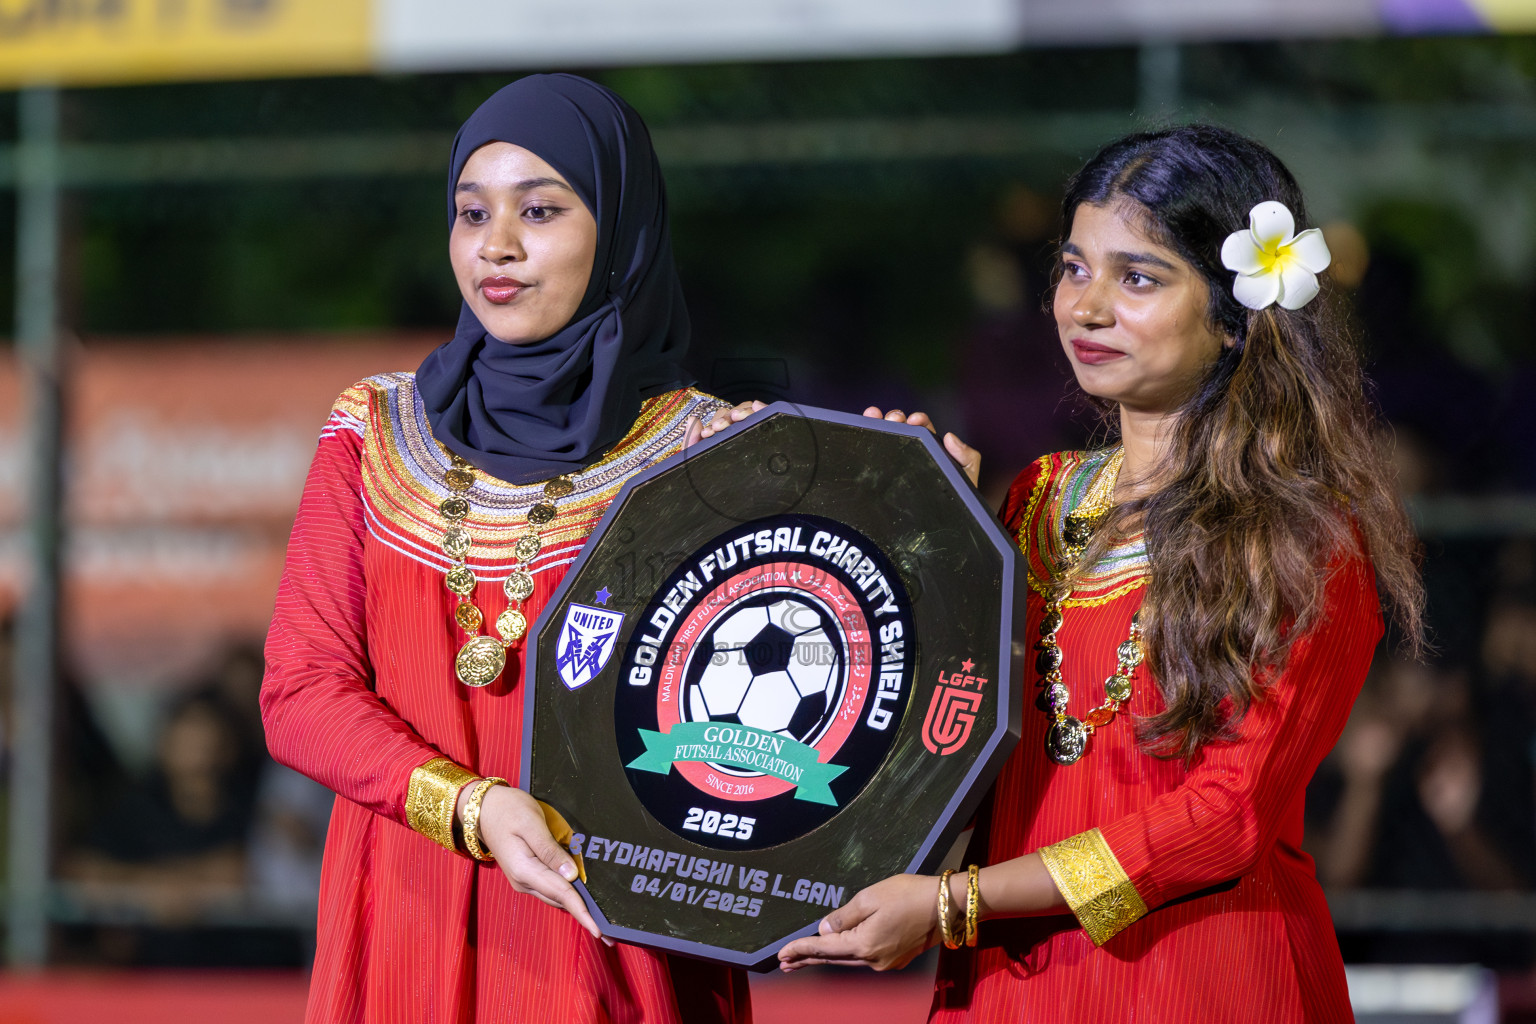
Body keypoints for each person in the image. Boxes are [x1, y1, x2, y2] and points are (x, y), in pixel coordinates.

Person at [778, 125, 1425, 1023]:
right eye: (1075, 269)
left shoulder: (1302, 539)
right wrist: (918, 538)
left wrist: (959, 904)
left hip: (1200, 981)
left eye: (1139, 278)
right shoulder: (1041, 499)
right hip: (1010, 982)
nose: (1086, 307)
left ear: (1237, 317)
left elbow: (1225, 819)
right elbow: (948, 740)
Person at [260, 75, 758, 1023]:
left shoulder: (714, 453)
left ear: (621, 228)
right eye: (470, 212)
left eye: (540, 210)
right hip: (405, 906)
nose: (496, 246)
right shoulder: (374, 429)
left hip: (608, 933)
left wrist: (900, 499)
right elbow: (299, 691)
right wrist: (469, 806)